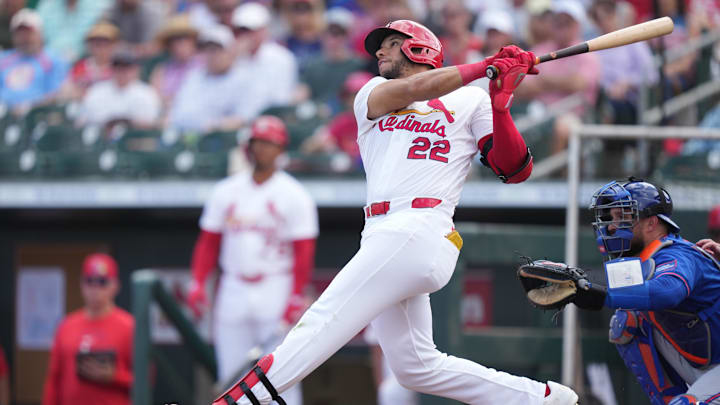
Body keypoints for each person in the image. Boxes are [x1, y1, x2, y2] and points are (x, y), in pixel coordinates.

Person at [213, 19, 578, 405]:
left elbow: (514, 169)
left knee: (320, 321)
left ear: (419, 49)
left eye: (388, 44)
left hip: (420, 225)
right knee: (416, 367)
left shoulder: (472, 99)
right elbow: (415, 88)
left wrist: (501, 106)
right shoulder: (373, 92)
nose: (379, 53)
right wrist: (482, 67)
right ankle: (545, 399)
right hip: (384, 231)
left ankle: (236, 402)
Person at [537, 179, 720, 404]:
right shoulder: (642, 259)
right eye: (612, 218)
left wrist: (597, 293)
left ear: (651, 223)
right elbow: (605, 286)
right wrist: (575, 283)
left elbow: (667, 292)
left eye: (622, 217)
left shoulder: (678, 255)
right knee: (626, 321)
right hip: (704, 361)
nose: (612, 226)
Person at [187, 115, 318, 404]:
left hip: (276, 285)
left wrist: (296, 295)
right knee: (232, 375)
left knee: (281, 375)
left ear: (281, 148)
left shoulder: (294, 194)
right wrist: (198, 282)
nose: (261, 149)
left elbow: (304, 250)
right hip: (234, 286)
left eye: (268, 143)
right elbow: (208, 242)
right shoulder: (227, 190)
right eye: (256, 142)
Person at [42, 253, 133, 405]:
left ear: (115, 285)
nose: (95, 288)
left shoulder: (129, 326)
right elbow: (54, 378)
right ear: (82, 284)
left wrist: (115, 376)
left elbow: (145, 381)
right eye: (90, 281)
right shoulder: (66, 326)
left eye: (102, 282)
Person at [230, 2, 299, 123]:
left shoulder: (281, 58)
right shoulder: (236, 59)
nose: (246, 35)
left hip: (270, 122)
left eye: (250, 30)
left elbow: (279, 101)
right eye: (241, 31)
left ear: (263, 30)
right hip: (237, 123)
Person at [166, 25, 244, 132]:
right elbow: (178, 114)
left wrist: (215, 125)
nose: (211, 55)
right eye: (207, 50)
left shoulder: (242, 78)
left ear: (230, 51)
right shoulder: (194, 76)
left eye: (216, 50)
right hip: (185, 136)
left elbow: (243, 119)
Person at [0, 9, 68, 115]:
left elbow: (56, 94)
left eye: (29, 33)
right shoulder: (3, 59)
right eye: (20, 34)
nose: (24, 38)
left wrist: (29, 106)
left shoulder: (52, 60)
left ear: (40, 34)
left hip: (37, 114)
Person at [78, 50, 160, 129]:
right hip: (101, 140)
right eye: (118, 67)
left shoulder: (147, 92)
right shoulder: (97, 90)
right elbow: (83, 121)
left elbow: (151, 123)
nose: (122, 72)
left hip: (134, 141)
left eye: (126, 67)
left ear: (136, 69)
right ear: (112, 69)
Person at [36, 0, 112, 62]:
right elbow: (39, 38)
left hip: (85, 60)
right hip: (49, 63)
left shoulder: (99, 5)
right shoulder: (47, 5)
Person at [66, 21, 120, 100]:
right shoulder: (80, 66)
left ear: (114, 45)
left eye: (106, 44)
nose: (101, 49)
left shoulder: (122, 66)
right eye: (97, 44)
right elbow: (68, 89)